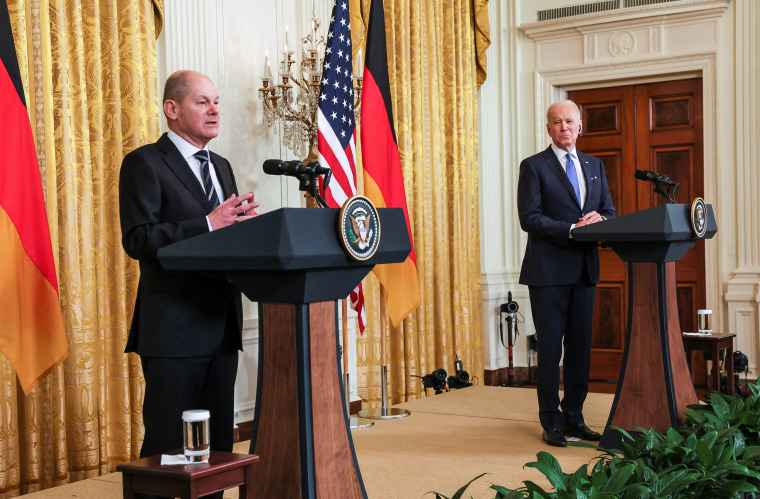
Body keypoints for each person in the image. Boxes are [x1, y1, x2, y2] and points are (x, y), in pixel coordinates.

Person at [119, 70, 259, 471]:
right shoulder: (144, 162)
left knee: (215, 449)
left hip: (222, 327)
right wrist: (210, 223)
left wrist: (245, 231)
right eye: (203, 102)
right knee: (166, 445)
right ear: (172, 109)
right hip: (174, 331)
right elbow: (139, 239)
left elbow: (222, 236)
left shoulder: (223, 166)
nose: (214, 110)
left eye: (216, 102)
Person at [517, 100, 616, 448]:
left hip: (585, 270)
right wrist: (571, 229)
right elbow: (529, 217)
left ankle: (575, 417)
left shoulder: (595, 166)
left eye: (570, 121)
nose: (565, 128)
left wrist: (601, 221)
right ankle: (551, 421)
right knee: (550, 350)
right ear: (549, 129)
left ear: (580, 126)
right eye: (557, 122)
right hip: (548, 272)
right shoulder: (533, 166)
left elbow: (608, 211)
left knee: (580, 349)